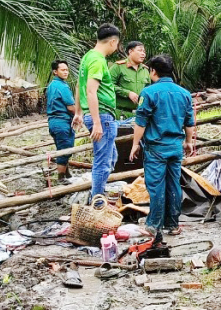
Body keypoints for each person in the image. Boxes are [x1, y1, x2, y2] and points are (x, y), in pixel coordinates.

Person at [129, 54, 196, 245]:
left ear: (153, 71)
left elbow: (141, 122)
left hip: (156, 148)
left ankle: (154, 225)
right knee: (173, 184)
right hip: (176, 147)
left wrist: (135, 144)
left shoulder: (149, 93)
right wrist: (189, 142)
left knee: (156, 186)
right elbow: (189, 122)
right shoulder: (184, 93)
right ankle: (172, 224)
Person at [74, 23, 120, 198]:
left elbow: (79, 85)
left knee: (111, 157)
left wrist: (78, 112)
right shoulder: (98, 60)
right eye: (116, 44)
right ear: (112, 42)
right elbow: (91, 90)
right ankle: (97, 200)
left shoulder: (87, 57)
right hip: (102, 115)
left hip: (96, 115)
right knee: (102, 162)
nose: (116, 48)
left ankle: (98, 192)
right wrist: (97, 123)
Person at [46, 60, 77, 181]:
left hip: (54, 122)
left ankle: (67, 173)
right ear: (55, 71)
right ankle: (61, 178)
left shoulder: (52, 85)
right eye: (63, 70)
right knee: (65, 150)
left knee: (62, 148)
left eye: (67, 70)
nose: (66, 72)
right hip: (62, 121)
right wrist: (80, 115)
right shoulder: (62, 86)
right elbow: (70, 106)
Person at [109, 41, 150, 119]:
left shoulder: (145, 70)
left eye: (144, 51)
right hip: (121, 114)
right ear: (130, 51)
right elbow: (108, 85)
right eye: (140, 50)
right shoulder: (118, 67)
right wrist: (127, 93)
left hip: (139, 114)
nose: (143, 54)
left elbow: (148, 90)